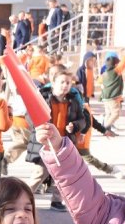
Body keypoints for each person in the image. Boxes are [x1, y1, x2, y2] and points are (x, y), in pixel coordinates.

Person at [29, 68, 87, 210]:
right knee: (39, 173)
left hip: (63, 144)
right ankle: (23, 197)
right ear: (53, 83)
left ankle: (56, 201)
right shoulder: (42, 98)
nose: (65, 85)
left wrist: (75, 126)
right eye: (62, 82)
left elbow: (82, 120)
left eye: (68, 83)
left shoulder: (73, 100)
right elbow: (29, 116)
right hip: (45, 144)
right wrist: (39, 126)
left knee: (62, 176)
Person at [99, 52, 123, 132]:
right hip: (112, 95)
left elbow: (100, 80)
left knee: (109, 113)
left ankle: (107, 129)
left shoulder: (104, 68)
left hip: (106, 95)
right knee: (114, 113)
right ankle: (106, 127)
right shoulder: (116, 70)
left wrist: (103, 86)